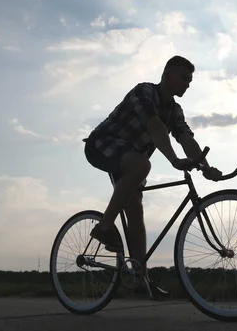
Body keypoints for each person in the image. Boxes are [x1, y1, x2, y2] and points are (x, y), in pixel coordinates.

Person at [82, 55, 223, 297]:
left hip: (129, 158)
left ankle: (140, 279)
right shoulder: (144, 92)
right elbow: (155, 126)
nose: (188, 84)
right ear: (167, 75)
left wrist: (205, 166)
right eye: (184, 78)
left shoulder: (175, 110)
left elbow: (186, 138)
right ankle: (104, 226)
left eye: (190, 80)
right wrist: (174, 160)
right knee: (142, 166)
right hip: (101, 145)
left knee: (135, 210)